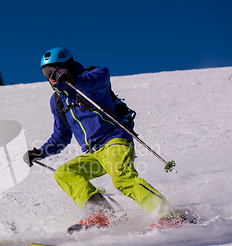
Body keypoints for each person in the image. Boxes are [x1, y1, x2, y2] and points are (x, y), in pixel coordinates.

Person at [23, 47, 187, 233]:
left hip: (115, 140)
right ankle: (101, 214)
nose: (51, 77)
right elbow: (61, 135)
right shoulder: (58, 101)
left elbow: (100, 78)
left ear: (68, 66)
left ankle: (169, 215)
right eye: (46, 72)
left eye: (54, 70)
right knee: (65, 173)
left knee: (122, 180)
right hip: (94, 153)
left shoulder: (93, 77)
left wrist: (72, 80)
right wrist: (40, 153)